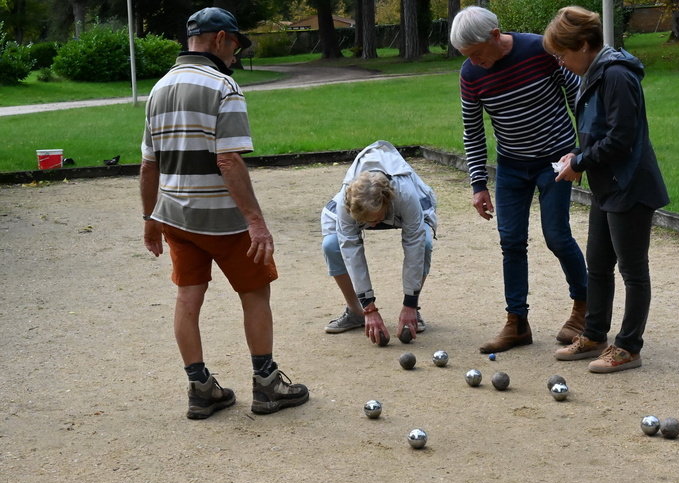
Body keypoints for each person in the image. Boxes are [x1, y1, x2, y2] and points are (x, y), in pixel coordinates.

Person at [139, 7, 308, 419]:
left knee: (187, 297)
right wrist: (256, 221)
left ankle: (200, 389)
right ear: (219, 39)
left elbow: (148, 165)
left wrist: (149, 219)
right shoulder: (223, 86)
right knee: (255, 293)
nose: (235, 55)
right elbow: (229, 159)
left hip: (176, 216)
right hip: (223, 219)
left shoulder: (159, 88)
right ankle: (267, 385)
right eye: (235, 45)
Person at [449, 6, 588, 354]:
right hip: (511, 166)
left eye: (478, 53)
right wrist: (478, 183)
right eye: (468, 57)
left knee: (557, 235)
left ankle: (585, 310)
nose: (475, 62)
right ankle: (517, 322)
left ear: (495, 35)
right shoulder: (470, 74)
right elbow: (473, 131)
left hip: (556, 160)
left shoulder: (540, 50)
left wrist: (585, 153)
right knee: (511, 241)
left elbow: (579, 97)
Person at [544, 6, 670, 373]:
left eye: (563, 54)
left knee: (633, 271)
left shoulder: (616, 75)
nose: (562, 63)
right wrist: (578, 155)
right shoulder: (592, 72)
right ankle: (595, 334)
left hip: (630, 185)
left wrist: (580, 163)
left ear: (584, 45)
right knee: (597, 266)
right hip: (607, 186)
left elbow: (621, 139)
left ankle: (629, 347)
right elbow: (599, 132)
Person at [321, 140, 438, 346]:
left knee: (425, 243)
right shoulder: (346, 202)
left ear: (387, 201)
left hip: (402, 207)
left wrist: (409, 302)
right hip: (365, 208)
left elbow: (415, 243)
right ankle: (356, 311)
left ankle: (413, 310)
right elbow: (350, 249)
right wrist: (369, 308)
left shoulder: (404, 194)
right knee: (331, 245)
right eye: (366, 221)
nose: (373, 225)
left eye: (375, 218)